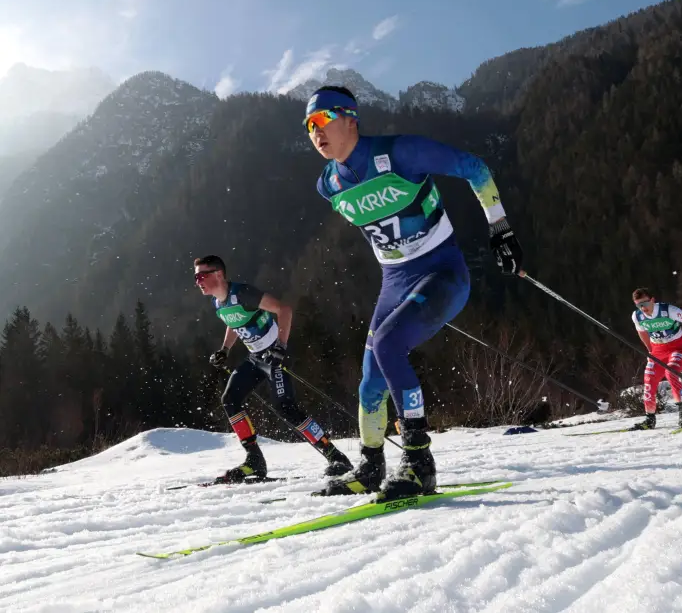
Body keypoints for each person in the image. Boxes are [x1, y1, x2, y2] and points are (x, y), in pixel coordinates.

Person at [303, 86, 523, 501]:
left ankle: (420, 461)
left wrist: (500, 229)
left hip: (442, 273)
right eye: (308, 126)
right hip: (394, 281)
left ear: (351, 118)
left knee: (388, 344)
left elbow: (474, 167)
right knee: (370, 381)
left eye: (322, 119)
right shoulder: (328, 184)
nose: (315, 132)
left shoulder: (400, 153)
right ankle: (370, 466)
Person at [194, 255, 352, 483]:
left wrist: (281, 347)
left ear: (218, 274)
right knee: (230, 399)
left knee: (286, 407)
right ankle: (254, 461)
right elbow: (234, 322)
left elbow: (284, 309)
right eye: (196, 276)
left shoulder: (243, 293)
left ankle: (336, 458)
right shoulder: (218, 303)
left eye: (201, 275)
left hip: (275, 356)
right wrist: (224, 350)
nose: (197, 281)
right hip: (256, 357)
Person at [629, 287, 682, 431]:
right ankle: (650, 419)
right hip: (658, 350)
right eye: (639, 305)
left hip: (677, 348)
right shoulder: (637, 316)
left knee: (671, 373)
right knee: (649, 379)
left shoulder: (668, 311)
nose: (643, 308)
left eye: (645, 304)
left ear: (652, 300)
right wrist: (650, 351)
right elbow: (642, 332)